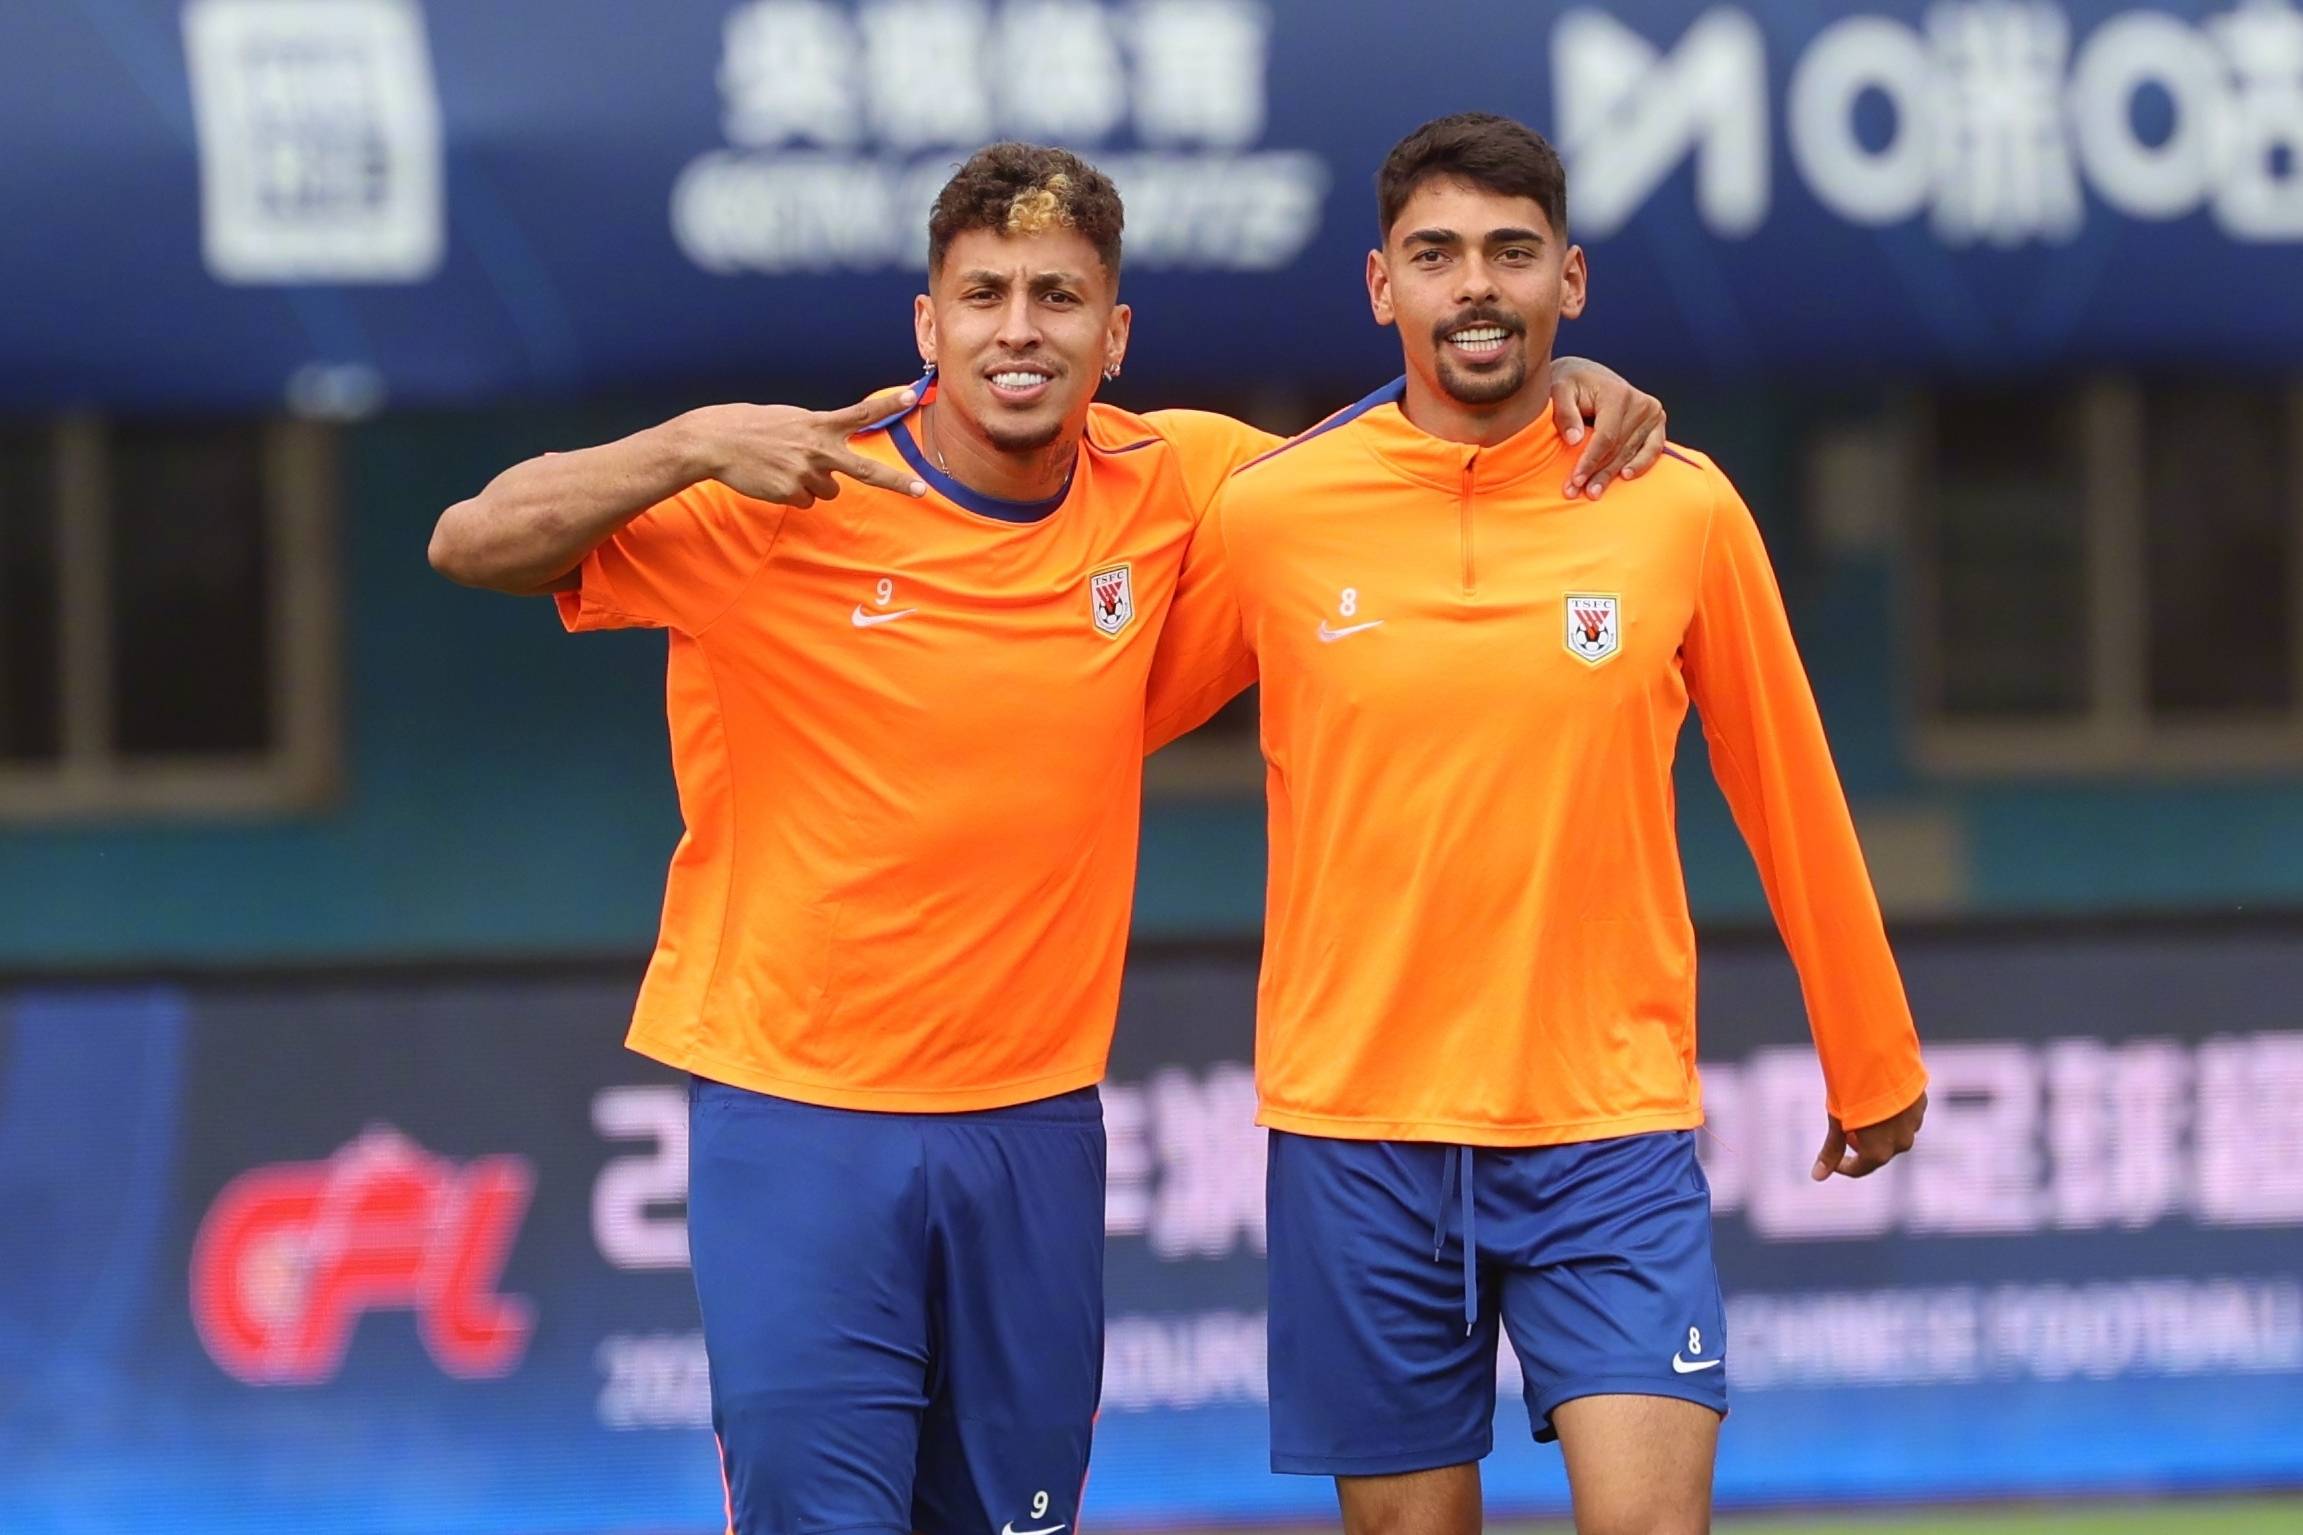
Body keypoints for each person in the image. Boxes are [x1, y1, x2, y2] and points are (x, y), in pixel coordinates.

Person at [428, 141, 1669, 1535]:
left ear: (1114, 336)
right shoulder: (784, 492)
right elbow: (471, 542)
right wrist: (695, 442)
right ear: (929, 325)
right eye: (986, 296)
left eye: (1058, 298)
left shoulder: (1179, 477)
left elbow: (1405, 461)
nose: (1019, 331)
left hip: (1036, 1128)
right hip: (798, 1123)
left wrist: (1555, 379)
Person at [1143, 113, 1931, 1535]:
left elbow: (1787, 781)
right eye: (1435, 255)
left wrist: (1870, 1051)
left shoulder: (1679, 508)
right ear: (1380, 286)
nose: (1475, 287)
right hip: (1356, 1134)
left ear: (1571, 279)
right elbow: (1096, 722)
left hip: (1606, 1129)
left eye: (1512, 254)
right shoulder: (1273, 513)